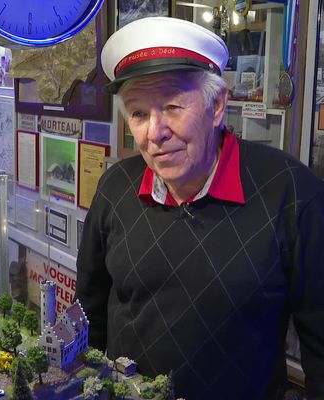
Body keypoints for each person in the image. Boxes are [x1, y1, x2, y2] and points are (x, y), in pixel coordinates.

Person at [75, 17, 324, 400]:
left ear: (217, 105)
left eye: (172, 106)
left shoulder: (290, 191)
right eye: (139, 114)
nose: (155, 132)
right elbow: (90, 311)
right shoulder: (116, 187)